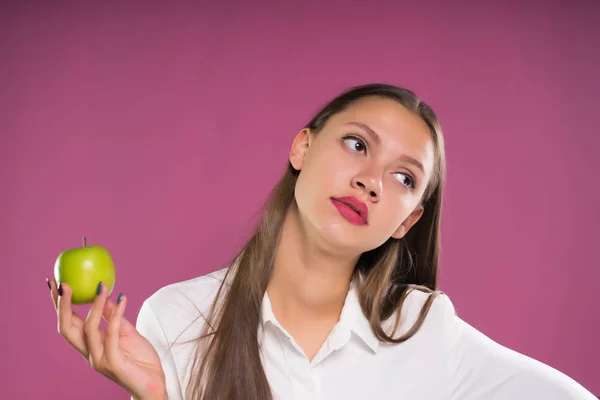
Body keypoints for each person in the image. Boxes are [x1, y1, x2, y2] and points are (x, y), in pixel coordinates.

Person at [47, 83, 596, 400]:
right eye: (357, 144)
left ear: (407, 221)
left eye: (404, 178)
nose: (372, 181)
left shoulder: (423, 328)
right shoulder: (176, 317)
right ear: (302, 148)